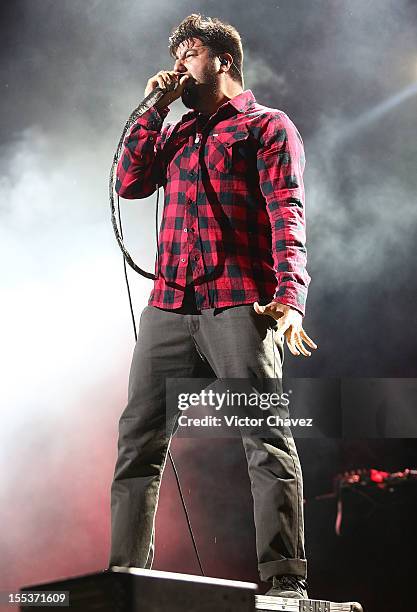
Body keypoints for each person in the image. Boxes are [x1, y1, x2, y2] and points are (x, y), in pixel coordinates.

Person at [109, 13, 317, 599]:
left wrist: (290, 297)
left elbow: (287, 214)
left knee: (266, 437)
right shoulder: (174, 131)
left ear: (221, 59)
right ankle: (126, 578)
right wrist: (152, 108)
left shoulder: (266, 126)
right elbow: (128, 182)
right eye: (174, 52)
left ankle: (285, 581)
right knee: (138, 440)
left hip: (239, 304)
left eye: (189, 51)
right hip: (171, 304)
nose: (178, 62)